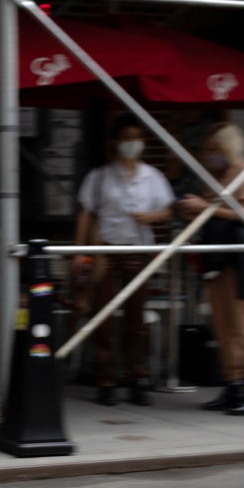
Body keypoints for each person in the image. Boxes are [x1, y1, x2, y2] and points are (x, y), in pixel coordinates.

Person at [73, 116, 176, 406]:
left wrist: (151, 217)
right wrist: (79, 252)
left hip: (138, 249)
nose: (133, 142)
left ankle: (136, 378)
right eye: (127, 136)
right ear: (115, 142)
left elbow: (168, 211)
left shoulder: (152, 176)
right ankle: (105, 379)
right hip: (106, 250)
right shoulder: (100, 176)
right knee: (102, 314)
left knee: (136, 318)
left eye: (137, 137)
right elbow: (85, 214)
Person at [176, 122, 244, 416]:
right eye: (207, 150)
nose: (209, 155)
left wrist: (205, 206)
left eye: (214, 149)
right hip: (218, 261)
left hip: (241, 262)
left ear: (227, 147)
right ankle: (233, 384)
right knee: (223, 328)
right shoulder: (217, 176)